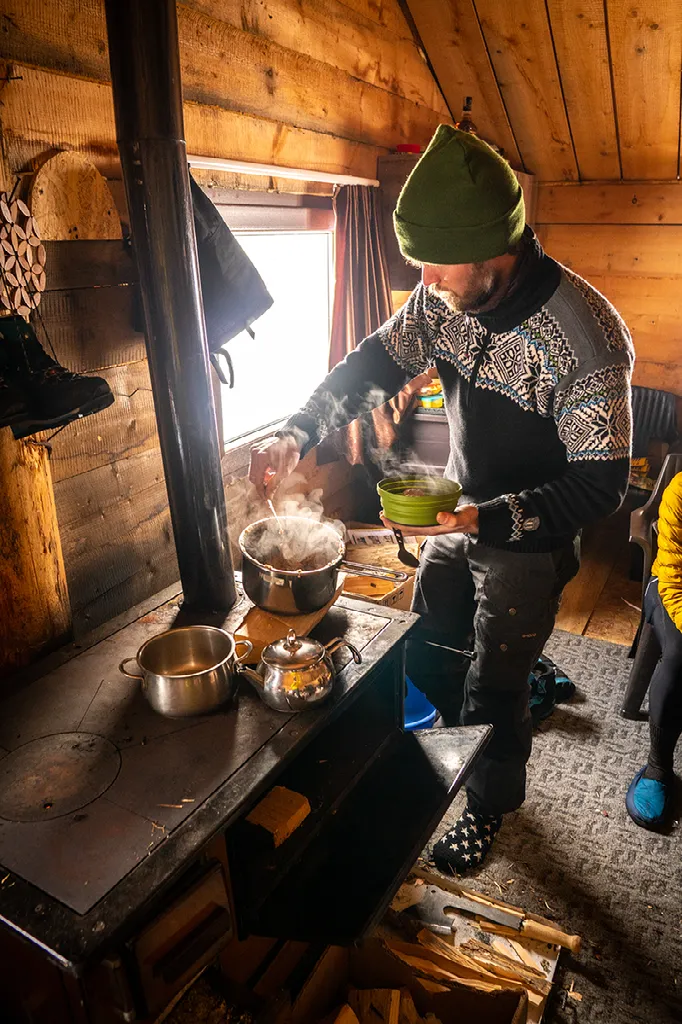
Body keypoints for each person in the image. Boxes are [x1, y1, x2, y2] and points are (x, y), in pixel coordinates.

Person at [250, 126, 633, 873]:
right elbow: (374, 361)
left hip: (528, 537)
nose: (423, 279)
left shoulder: (587, 337)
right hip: (454, 510)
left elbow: (601, 483)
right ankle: (430, 751)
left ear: (497, 251)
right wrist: (300, 430)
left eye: (435, 262)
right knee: (426, 637)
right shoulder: (442, 303)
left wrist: (487, 518)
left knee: (496, 682)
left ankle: (489, 806)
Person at [626, 473, 682, 829]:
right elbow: (674, 573)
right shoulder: (680, 490)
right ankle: (659, 765)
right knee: (680, 655)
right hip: (673, 591)